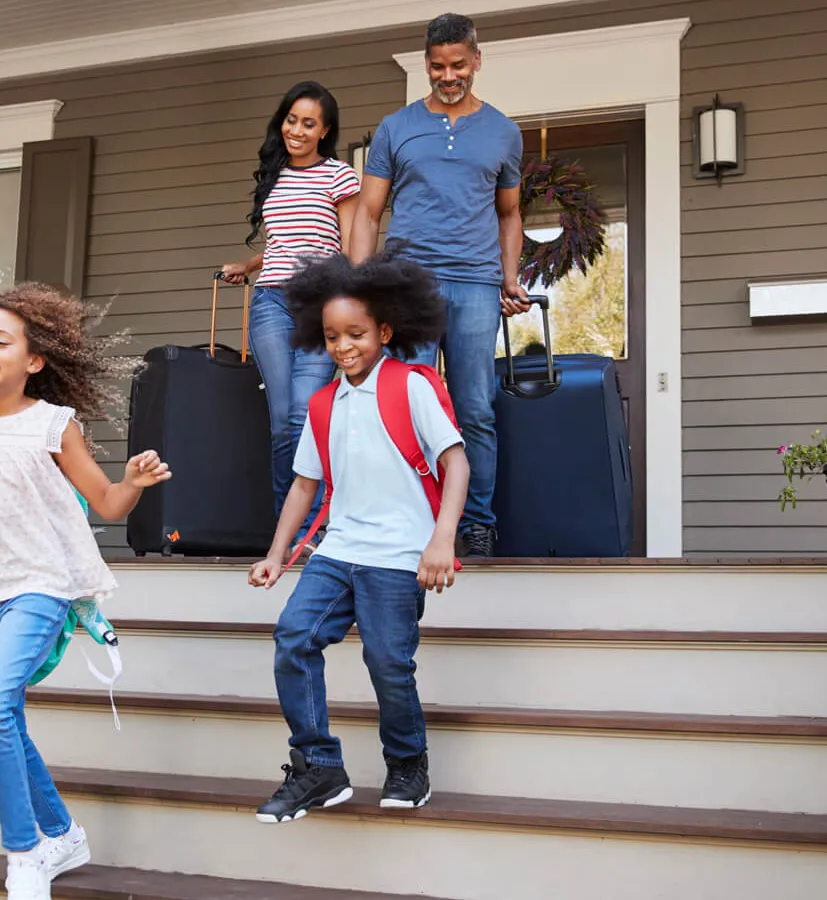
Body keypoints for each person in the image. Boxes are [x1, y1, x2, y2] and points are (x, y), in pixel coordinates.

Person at [0, 283, 171, 900]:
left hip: (41, 585)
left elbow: (108, 504)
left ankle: (25, 851)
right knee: (3, 718)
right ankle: (63, 832)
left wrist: (133, 481)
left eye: (1, 341)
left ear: (35, 360)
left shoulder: (54, 425)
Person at [247, 249, 469, 824]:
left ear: (385, 331)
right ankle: (318, 765)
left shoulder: (411, 385)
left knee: (387, 662)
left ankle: (407, 762)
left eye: (356, 333)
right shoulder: (323, 404)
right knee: (294, 638)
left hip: (399, 554)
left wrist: (442, 540)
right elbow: (303, 487)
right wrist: (276, 556)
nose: (343, 346)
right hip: (339, 549)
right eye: (331, 335)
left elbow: (457, 462)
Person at [349, 12, 527, 557]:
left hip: (475, 283)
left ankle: (476, 523)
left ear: (477, 60)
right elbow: (368, 211)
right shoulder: (396, 128)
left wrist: (510, 277)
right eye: (437, 67)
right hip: (409, 284)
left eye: (458, 65)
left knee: (474, 407)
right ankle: (415, 517)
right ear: (426, 65)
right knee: (408, 405)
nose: (448, 76)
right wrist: (361, 286)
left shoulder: (503, 130)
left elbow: (510, 214)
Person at [221, 81, 360, 532]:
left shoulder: (339, 176)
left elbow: (349, 241)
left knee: (306, 414)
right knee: (283, 421)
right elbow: (285, 241)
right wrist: (248, 263)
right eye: (291, 119)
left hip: (322, 306)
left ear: (325, 131)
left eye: (308, 123)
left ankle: (313, 527)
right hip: (270, 302)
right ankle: (293, 530)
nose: (296, 130)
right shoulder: (273, 176)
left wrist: (356, 298)